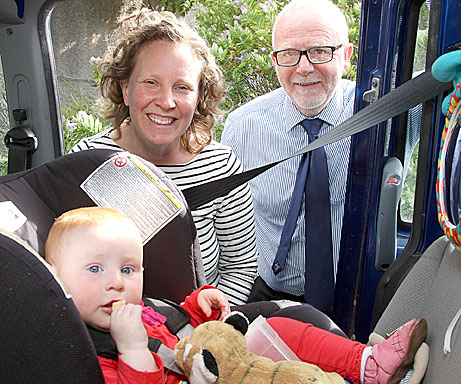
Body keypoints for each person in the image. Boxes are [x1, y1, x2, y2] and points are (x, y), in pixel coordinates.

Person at [45, 206, 427, 384]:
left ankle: (367, 365)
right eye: (95, 269)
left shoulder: (143, 310)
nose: (116, 282)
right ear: (55, 281)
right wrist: (131, 350)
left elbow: (184, 332)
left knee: (280, 328)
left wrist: (198, 306)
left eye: (128, 270)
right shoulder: (83, 351)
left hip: (219, 365)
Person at [70, 7, 257, 305]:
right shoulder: (87, 160)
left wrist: (202, 326)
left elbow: (240, 266)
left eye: (182, 87)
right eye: (150, 83)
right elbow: (69, 265)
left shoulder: (221, 166)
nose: (166, 102)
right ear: (126, 88)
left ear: (198, 98)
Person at [221, 0, 355, 310]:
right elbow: (224, 220)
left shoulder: (380, 113)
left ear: (346, 55)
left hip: (355, 297)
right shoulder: (243, 126)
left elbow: (445, 97)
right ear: (275, 61)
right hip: (269, 292)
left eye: (320, 51)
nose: (304, 68)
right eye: (289, 54)